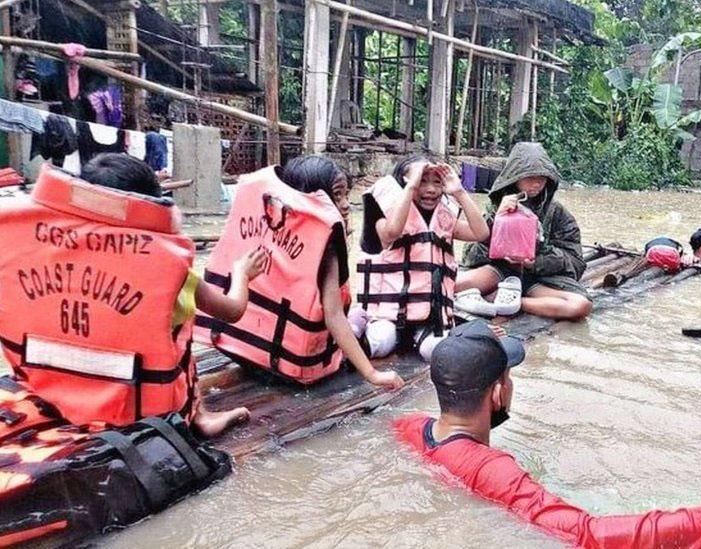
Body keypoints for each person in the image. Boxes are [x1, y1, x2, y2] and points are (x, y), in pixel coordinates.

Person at [394, 320, 701, 548]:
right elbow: (587, 535)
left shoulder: (409, 429)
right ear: (498, 392)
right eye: (510, 377)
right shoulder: (496, 469)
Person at [0, 154, 261, 438]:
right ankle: (200, 416)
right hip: (138, 411)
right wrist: (242, 273)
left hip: (47, 391)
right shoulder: (168, 265)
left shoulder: (27, 246)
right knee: (179, 324)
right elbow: (232, 310)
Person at [197, 155, 404, 391]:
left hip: (241, 348)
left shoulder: (264, 219)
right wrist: (373, 374)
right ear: (313, 196)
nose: (347, 204)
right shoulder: (324, 243)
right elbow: (334, 316)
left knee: (357, 316)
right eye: (337, 195)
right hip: (294, 367)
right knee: (369, 325)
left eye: (346, 194)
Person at [353, 154, 490, 362]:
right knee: (380, 342)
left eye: (437, 182)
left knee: (436, 352)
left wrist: (459, 192)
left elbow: (480, 233)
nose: (430, 189)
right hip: (388, 315)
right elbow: (391, 233)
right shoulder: (385, 215)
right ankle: (357, 322)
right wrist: (410, 188)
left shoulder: (444, 218)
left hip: (429, 317)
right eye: (421, 181)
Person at [455, 142, 592, 321]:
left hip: (537, 280)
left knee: (580, 306)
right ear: (515, 178)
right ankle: (498, 296)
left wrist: (534, 261)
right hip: (498, 272)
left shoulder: (557, 213)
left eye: (541, 179)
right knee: (450, 287)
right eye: (529, 178)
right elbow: (470, 254)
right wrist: (496, 219)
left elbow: (575, 262)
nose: (536, 184)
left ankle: (509, 302)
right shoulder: (498, 206)